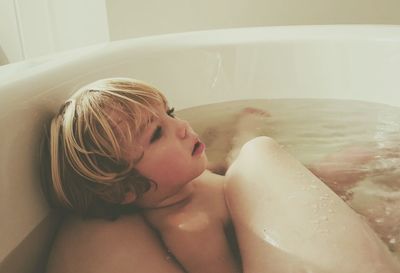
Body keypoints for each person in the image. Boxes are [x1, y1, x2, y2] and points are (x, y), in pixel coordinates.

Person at [42, 77, 400, 273]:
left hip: (277, 202)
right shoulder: (189, 226)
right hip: (285, 229)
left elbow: (228, 168)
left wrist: (241, 131)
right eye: (156, 134)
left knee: (339, 164)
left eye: (169, 113)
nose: (181, 127)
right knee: (340, 177)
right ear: (124, 190)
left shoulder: (190, 181)